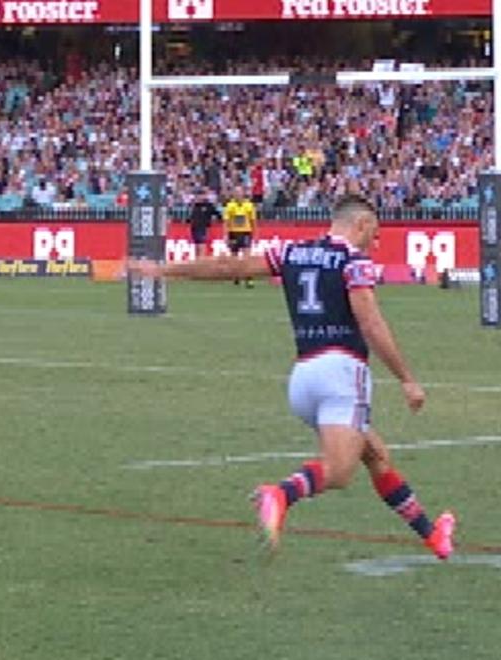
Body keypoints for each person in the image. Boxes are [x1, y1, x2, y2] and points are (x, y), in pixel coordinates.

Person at [129, 194, 455, 560]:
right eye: (373, 234)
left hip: (303, 379)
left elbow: (230, 269)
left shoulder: (291, 252)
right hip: (342, 374)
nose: (374, 243)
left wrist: (165, 270)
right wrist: (406, 378)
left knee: (376, 454)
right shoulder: (353, 261)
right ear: (360, 225)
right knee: (339, 471)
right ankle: (281, 494)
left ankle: (433, 535)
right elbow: (370, 322)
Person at [222, 186, 258, 287]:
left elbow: (253, 221)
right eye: (236, 192)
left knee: (247, 257)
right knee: (234, 257)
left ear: (243, 193)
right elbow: (226, 222)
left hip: (246, 232)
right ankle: (236, 276)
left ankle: (249, 278)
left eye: (239, 192)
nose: (238, 194)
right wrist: (225, 235)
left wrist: (255, 235)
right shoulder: (230, 206)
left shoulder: (249, 205)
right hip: (233, 233)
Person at [187, 188, 221, 258]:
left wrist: (213, 220)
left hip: (203, 227)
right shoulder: (194, 205)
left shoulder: (208, 205)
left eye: (202, 195)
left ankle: (201, 260)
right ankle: (197, 260)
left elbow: (218, 214)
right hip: (194, 227)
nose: (200, 197)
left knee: (202, 244)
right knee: (196, 245)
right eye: (199, 195)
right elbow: (190, 217)